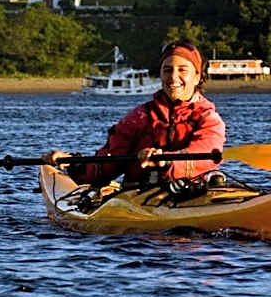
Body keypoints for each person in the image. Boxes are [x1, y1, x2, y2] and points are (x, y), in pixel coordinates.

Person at [46, 40, 225, 188]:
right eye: (167, 70)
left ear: (197, 77)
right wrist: (74, 164)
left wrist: (166, 162)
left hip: (193, 193)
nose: (173, 77)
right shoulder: (140, 117)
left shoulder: (208, 118)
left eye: (182, 70)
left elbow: (207, 152)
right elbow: (109, 162)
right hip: (140, 197)